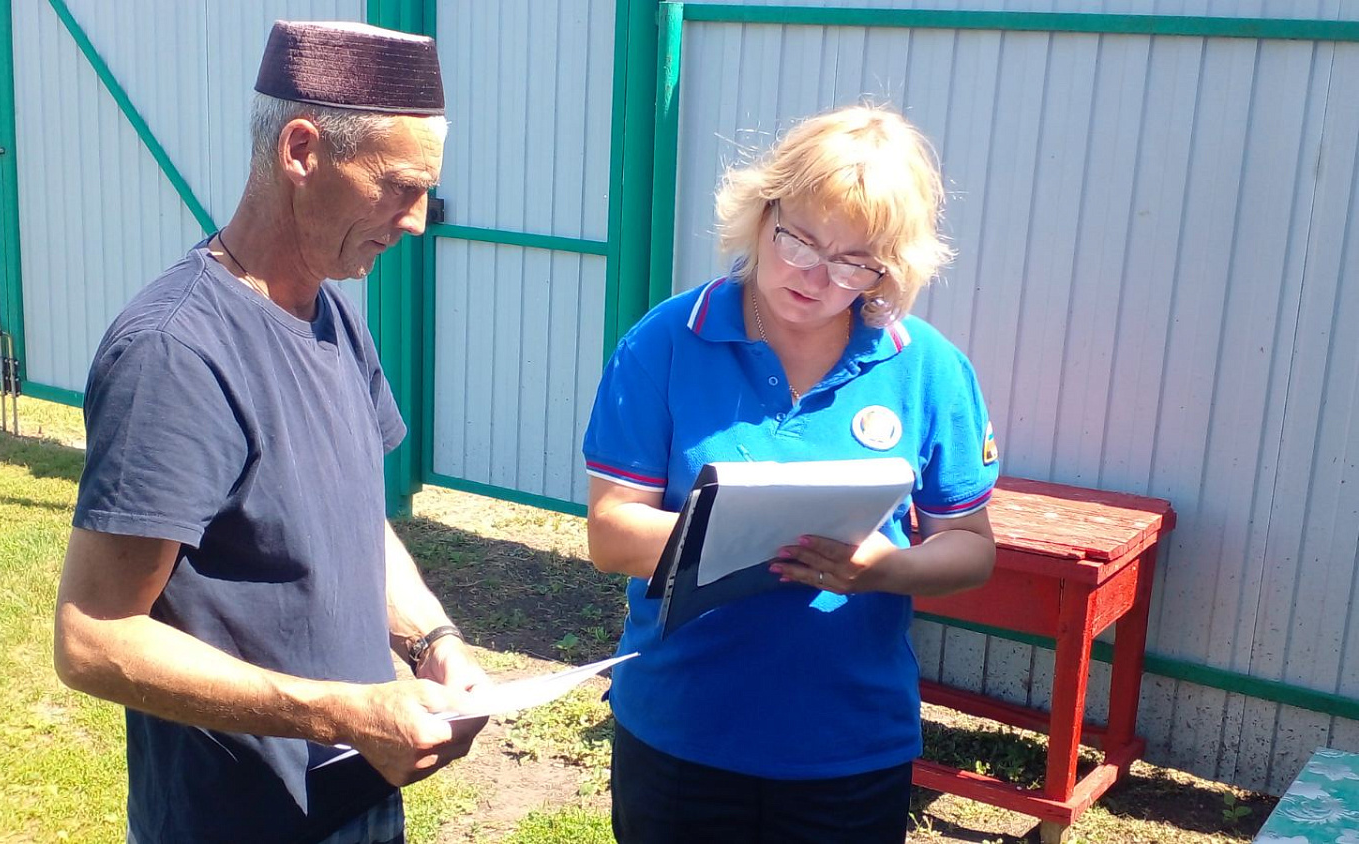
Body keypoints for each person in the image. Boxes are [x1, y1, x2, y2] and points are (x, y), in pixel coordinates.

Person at [53, 21, 488, 844]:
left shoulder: (330, 313)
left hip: (349, 802)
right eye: (400, 186)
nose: (419, 219)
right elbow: (92, 639)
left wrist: (434, 641)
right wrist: (340, 712)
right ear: (301, 150)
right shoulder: (175, 353)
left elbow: (358, 524)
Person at [582, 105, 1000, 842]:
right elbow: (612, 534)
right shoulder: (666, 343)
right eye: (799, 239)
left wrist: (884, 569)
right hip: (683, 731)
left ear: (890, 266)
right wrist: (736, 535)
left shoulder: (927, 366)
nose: (816, 275)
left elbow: (970, 547)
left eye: (854, 260)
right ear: (760, 211)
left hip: (847, 746)